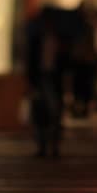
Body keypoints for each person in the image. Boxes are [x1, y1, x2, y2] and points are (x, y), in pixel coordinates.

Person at [26, 9, 64, 158]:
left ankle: (54, 145)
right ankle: (42, 145)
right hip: (41, 78)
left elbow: (64, 63)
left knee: (55, 114)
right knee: (41, 114)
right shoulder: (37, 40)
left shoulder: (59, 40)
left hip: (53, 79)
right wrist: (31, 82)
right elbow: (31, 62)